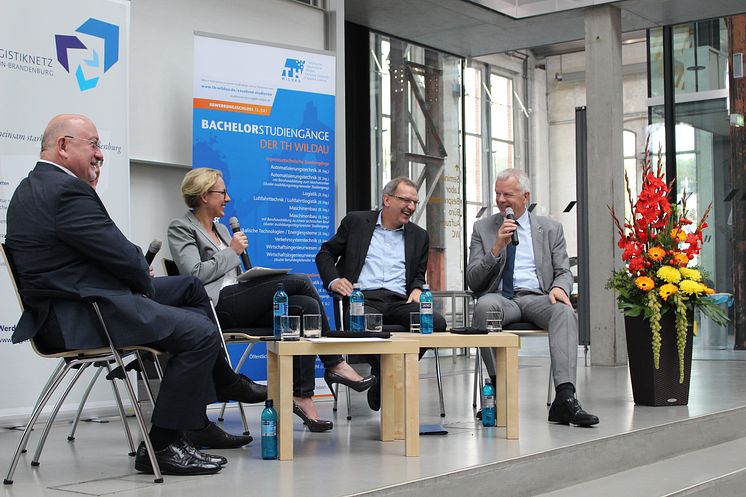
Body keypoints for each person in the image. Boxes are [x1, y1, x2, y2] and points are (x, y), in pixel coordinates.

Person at [6, 114, 265, 477]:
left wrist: (136, 277)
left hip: (77, 303)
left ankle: (211, 395)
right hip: (85, 314)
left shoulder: (30, 187)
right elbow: (124, 256)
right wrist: (140, 280)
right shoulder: (67, 191)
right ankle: (161, 444)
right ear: (63, 146)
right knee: (201, 333)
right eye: (93, 145)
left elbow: (98, 254)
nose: (100, 154)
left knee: (189, 288)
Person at [167, 168, 376, 433]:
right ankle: (334, 363)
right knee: (300, 281)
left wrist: (249, 274)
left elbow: (233, 273)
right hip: (216, 306)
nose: (228, 199)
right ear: (204, 195)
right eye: (222, 193)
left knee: (305, 307)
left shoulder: (220, 228)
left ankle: (301, 396)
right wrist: (232, 252)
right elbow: (194, 275)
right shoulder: (181, 227)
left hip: (241, 300)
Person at [467, 168, 599, 427]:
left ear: (525, 196)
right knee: (484, 306)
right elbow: (473, 280)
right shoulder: (482, 228)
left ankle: (565, 397)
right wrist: (496, 248)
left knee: (564, 310)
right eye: (497, 194)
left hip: (538, 297)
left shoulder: (551, 229)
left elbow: (563, 271)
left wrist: (560, 287)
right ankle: (498, 391)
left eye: (508, 194)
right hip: (501, 299)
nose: (501, 200)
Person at [315, 176, 447, 411]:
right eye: (406, 200)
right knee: (363, 323)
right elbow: (325, 253)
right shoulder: (356, 222)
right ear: (387, 199)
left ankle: (383, 374)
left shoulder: (419, 235)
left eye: (415, 202)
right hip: (363, 299)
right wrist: (334, 280)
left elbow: (418, 273)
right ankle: (390, 374)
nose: (412, 207)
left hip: (400, 302)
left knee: (435, 322)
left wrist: (417, 288)